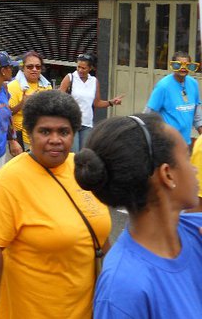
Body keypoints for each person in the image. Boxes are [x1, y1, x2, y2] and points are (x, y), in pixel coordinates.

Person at [0, 90, 112, 319]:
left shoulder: (83, 168)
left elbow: (100, 235)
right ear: (29, 133)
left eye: (64, 131)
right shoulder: (10, 180)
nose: (55, 139)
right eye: (45, 131)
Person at [75, 113, 202, 317]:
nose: (195, 169)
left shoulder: (197, 233)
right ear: (167, 174)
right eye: (187, 157)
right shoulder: (123, 289)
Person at [59, 53, 124, 152]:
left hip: (87, 124)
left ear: (90, 68)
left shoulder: (94, 81)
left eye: (83, 68)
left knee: (85, 154)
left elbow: (97, 103)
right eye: (78, 67)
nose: (80, 70)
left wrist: (111, 102)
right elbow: (59, 98)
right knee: (74, 153)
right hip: (71, 122)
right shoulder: (70, 78)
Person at [144, 51, 201, 150]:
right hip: (167, 144)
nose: (183, 68)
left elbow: (197, 114)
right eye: (179, 65)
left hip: (185, 143)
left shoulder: (193, 84)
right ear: (172, 66)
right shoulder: (163, 86)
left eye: (187, 65)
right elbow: (147, 115)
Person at [7, 51, 52, 153]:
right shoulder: (13, 86)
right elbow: (7, 115)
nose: (34, 69)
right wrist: (23, 103)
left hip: (42, 138)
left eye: (38, 67)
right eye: (30, 67)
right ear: (23, 68)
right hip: (20, 140)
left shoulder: (47, 86)